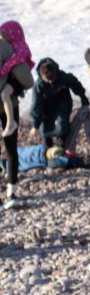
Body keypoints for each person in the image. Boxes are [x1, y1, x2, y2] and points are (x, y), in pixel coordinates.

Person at [0, 22, 34, 209]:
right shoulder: (10, 49)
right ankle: (11, 191)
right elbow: (28, 81)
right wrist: (13, 86)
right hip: (8, 106)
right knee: (11, 149)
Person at [30, 58, 89, 148]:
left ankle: (64, 147)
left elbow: (75, 84)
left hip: (62, 102)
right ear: (42, 76)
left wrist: (83, 97)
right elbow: (36, 106)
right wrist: (35, 125)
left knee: (62, 126)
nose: (51, 82)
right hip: (46, 108)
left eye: (52, 80)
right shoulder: (38, 86)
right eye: (48, 81)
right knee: (46, 129)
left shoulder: (63, 77)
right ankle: (48, 149)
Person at [0, 21, 33, 139]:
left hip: (17, 80)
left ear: (12, 34)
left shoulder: (20, 45)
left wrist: (4, 68)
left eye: (4, 35)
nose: (3, 38)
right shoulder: (14, 44)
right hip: (14, 78)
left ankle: (11, 122)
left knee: (5, 95)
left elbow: (18, 60)